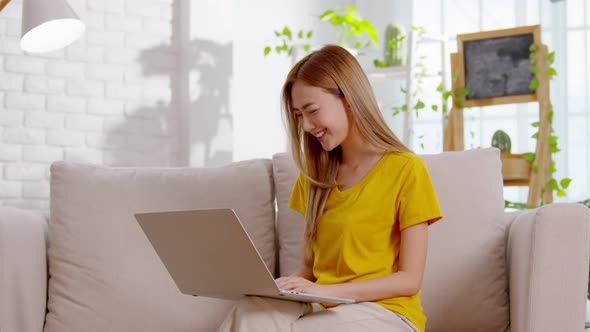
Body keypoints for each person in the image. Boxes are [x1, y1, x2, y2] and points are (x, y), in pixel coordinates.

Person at [217, 45, 442, 332]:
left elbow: (410, 279)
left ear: (348, 98)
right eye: (299, 115)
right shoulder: (315, 177)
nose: (307, 125)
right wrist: (280, 288)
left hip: (388, 311)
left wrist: (332, 291)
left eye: (312, 111)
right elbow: (309, 271)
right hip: (325, 306)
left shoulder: (406, 169)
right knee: (251, 311)